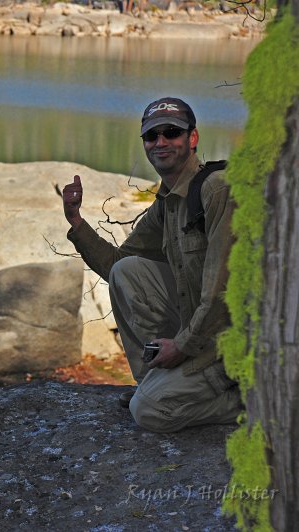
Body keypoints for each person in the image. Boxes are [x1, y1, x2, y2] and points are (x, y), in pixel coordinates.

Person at [61, 97, 241, 433]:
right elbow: (119, 264)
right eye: (151, 136)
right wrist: (76, 222)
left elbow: (221, 292)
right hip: (208, 335)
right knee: (127, 272)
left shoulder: (218, 191)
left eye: (171, 132)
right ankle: (156, 382)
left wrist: (183, 346)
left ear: (192, 139)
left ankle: (250, 400)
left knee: (149, 412)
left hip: (240, 344)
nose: (160, 142)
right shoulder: (169, 201)